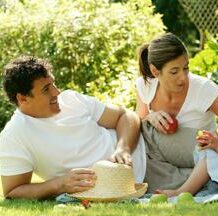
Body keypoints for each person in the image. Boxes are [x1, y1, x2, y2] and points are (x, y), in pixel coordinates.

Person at [0, 56, 146, 199]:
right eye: (46, 89)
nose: (56, 92)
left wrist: (123, 148)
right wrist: (59, 185)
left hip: (148, 143)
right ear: (23, 98)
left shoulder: (71, 99)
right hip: (130, 184)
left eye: (53, 84)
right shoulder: (14, 136)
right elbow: (13, 191)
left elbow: (127, 115)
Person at [135, 33, 218, 192]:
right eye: (174, 71)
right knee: (141, 158)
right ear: (155, 71)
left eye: (186, 68)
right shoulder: (146, 85)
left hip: (202, 157)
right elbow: (141, 129)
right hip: (163, 161)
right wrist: (150, 116)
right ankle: (203, 185)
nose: (183, 77)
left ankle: (199, 183)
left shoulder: (204, 89)